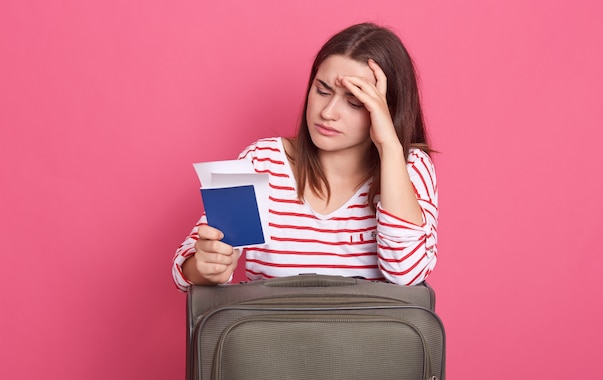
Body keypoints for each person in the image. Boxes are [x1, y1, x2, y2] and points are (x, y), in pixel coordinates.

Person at [172, 22, 438, 290]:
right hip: (270, 331)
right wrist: (207, 265)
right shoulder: (261, 162)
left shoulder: (409, 167)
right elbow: (184, 269)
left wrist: (389, 147)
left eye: (355, 101)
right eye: (322, 90)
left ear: (385, 110)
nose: (328, 112)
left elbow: (406, 272)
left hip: (373, 333)